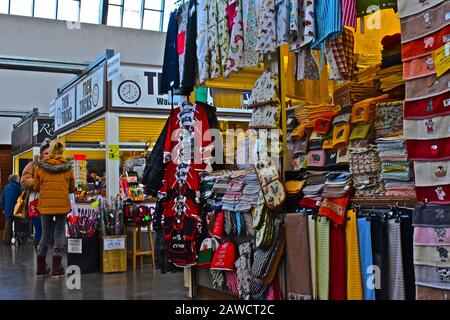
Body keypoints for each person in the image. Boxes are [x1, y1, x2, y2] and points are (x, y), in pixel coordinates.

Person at [34, 140, 75, 278]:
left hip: (45, 205)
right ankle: (57, 268)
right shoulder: (67, 167)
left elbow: (35, 187)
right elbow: (72, 188)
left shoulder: (41, 166)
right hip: (62, 205)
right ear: (62, 151)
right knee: (59, 234)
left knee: (45, 234)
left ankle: (41, 267)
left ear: (50, 150)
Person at [21, 138, 51, 251]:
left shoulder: (57, 165)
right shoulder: (32, 165)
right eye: (46, 153)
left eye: (50, 153)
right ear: (41, 153)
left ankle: (49, 258)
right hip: (36, 202)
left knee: (51, 232)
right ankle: (40, 256)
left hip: (51, 203)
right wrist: (39, 183)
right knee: (39, 230)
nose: (48, 155)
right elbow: (24, 180)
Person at [1, 174, 22, 245]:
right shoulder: (19, 187)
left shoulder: (6, 187)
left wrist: (4, 207)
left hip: (8, 209)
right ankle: (19, 240)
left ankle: (7, 241)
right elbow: (22, 197)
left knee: (8, 225)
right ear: (16, 180)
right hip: (17, 209)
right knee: (18, 225)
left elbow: (1, 199)